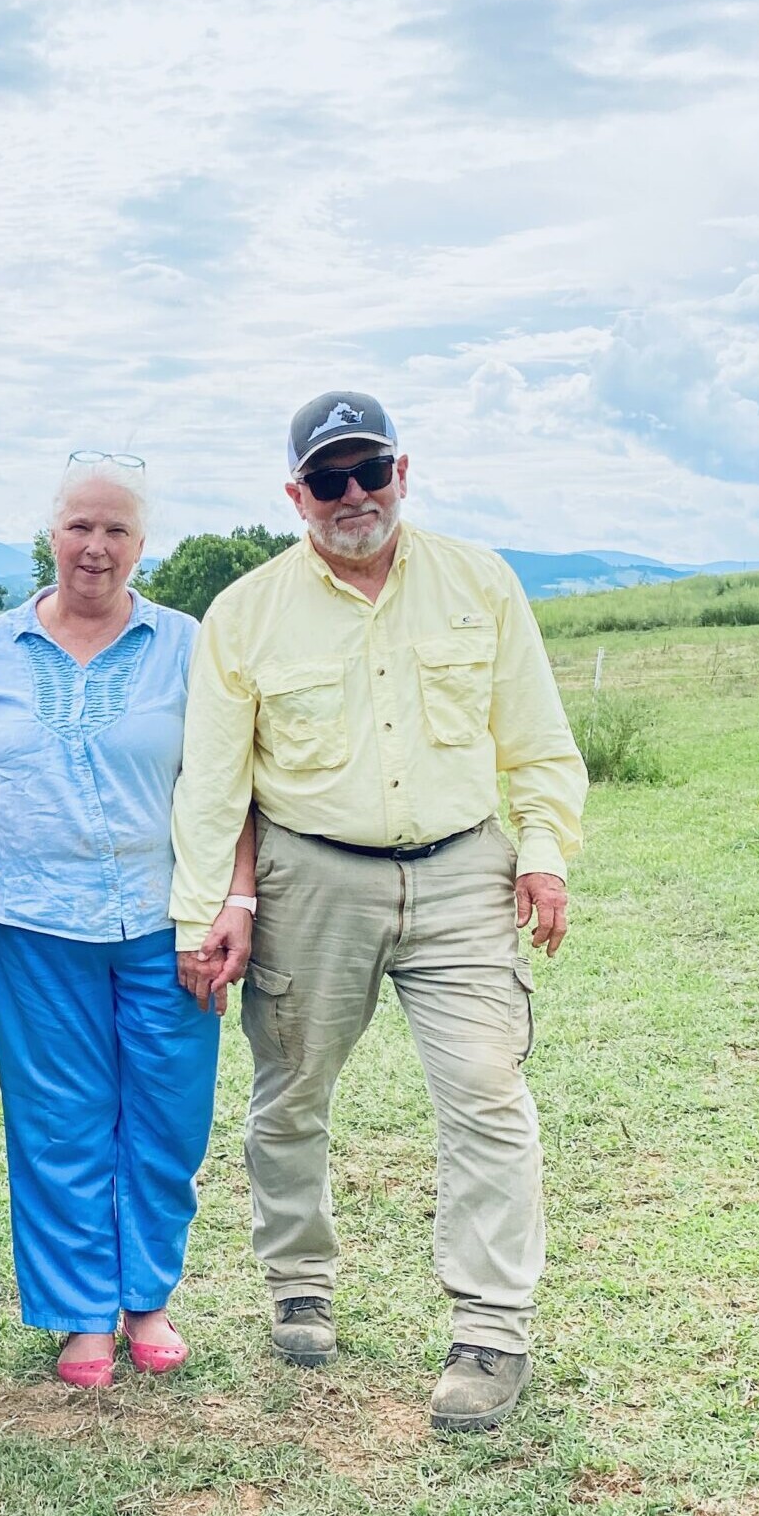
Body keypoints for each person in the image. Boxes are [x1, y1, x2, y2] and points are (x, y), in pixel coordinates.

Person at [170, 393, 586, 1433]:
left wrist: (541, 853)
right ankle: (297, 1279)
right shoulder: (245, 613)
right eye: (327, 479)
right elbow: (214, 785)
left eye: (368, 472)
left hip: (463, 873)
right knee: (292, 1088)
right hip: (313, 875)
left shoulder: (478, 581)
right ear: (294, 493)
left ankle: (492, 1328)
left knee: (487, 1093)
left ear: (403, 469)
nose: (351, 496)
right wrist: (209, 908)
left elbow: (535, 738)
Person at [0, 453, 253, 1390]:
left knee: (167, 1115)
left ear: (143, 543)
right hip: (33, 920)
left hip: (163, 918)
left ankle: (147, 1301)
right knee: (60, 1119)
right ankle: (80, 1316)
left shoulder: (185, 643)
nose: (96, 548)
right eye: (80, 527)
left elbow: (229, 785)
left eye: (117, 531)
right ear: (51, 533)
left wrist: (234, 900)